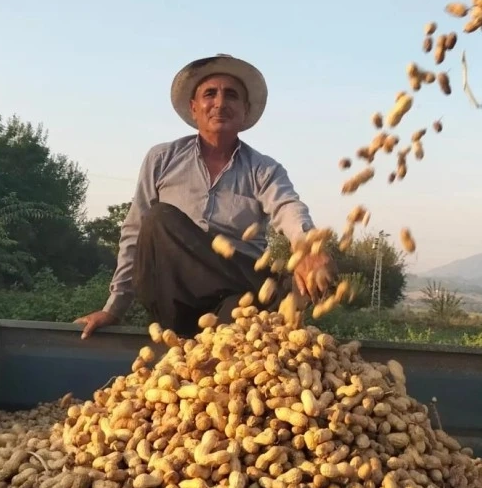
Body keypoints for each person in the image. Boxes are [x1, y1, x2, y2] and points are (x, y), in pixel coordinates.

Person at [75, 53, 335, 339]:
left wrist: (306, 246)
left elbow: (287, 206)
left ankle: (269, 304)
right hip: (175, 299)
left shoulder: (264, 169)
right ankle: (277, 293)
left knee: (248, 316)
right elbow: (134, 232)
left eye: (231, 95)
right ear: (194, 107)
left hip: (237, 298)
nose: (220, 103)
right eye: (210, 94)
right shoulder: (162, 159)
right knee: (159, 219)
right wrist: (114, 308)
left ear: (245, 110)